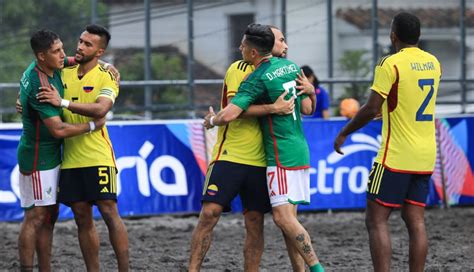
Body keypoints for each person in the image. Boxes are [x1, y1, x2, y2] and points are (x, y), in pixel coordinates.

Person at [203, 24, 324, 272]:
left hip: (280, 155)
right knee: (290, 221)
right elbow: (309, 110)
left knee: (282, 218)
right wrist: (311, 92)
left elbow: (230, 114)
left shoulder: (256, 77)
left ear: (254, 52)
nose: (240, 48)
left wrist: (211, 121)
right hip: (300, 149)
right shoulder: (291, 68)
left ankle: (317, 268)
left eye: (244, 45)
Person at [333, 12, 441, 272]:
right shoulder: (434, 62)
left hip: (395, 155)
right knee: (416, 221)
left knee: (376, 219)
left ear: (393, 36)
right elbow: (407, 100)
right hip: (426, 155)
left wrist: (345, 131)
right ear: (419, 36)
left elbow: (371, 108)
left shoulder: (389, 64)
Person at [188, 26, 295, 272]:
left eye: (243, 44)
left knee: (255, 222)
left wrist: (309, 90)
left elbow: (304, 106)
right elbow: (236, 111)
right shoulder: (239, 69)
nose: (285, 45)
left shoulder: (281, 71)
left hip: (262, 158)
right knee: (209, 214)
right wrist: (272, 108)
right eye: (282, 40)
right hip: (230, 154)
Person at [36, 24, 129, 271]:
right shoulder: (63, 70)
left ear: (99, 52)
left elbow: (101, 110)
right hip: (70, 158)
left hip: (98, 155)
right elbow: (39, 69)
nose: (80, 46)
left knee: (109, 212)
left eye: (88, 44)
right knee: (81, 217)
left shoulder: (106, 75)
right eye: (80, 41)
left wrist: (62, 102)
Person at [17, 29, 105, 272]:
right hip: (38, 158)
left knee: (49, 216)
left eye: (62, 48)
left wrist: (107, 66)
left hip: (52, 154)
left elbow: (79, 60)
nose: (63, 55)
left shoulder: (50, 64)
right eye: (56, 51)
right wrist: (91, 125)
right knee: (35, 217)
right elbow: (58, 130)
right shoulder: (41, 86)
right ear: (41, 56)